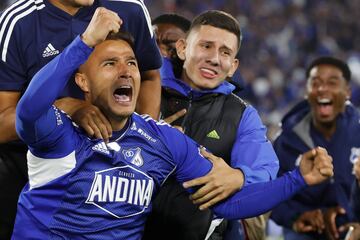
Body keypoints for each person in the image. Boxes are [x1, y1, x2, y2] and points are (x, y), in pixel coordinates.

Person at [12, 11, 334, 239]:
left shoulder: (162, 139)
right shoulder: (60, 131)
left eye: (132, 64)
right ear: (82, 80)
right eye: (110, 64)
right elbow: (28, 110)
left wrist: (297, 179)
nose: (125, 71)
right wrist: (83, 44)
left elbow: (227, 204)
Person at [0, 0, 161, 237]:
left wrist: (142, 137)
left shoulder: (129, 7)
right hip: (33, 175)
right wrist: (65, 107)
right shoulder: (19, 21)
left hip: (113, 169)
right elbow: (2, 123)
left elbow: (149, 77)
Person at [144, 10, 279, 240]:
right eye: (206, 46)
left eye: (225, 52)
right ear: (182, 48)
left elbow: (265, 174)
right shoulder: (145, 87)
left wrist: (239, 177)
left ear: (233, 66)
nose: (215, 58)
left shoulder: (242, 114)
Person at [270, 56, 360, 240]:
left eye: (332, 83)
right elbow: (270, 193)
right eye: (315, 83)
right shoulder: (287, 139)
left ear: (347, 92)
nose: (322, 89)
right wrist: (296, 218)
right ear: (307, 91)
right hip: (306, 229)